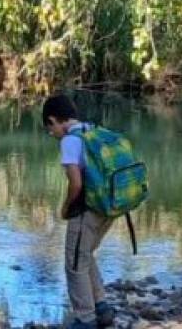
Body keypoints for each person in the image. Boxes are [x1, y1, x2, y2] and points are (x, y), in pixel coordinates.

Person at [43, 94, 115, 329]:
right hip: (109, 206)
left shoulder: (70, 141)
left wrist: (66, 208)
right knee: (85, 254)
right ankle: (102, 307)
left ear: (54, 120)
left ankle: (85, 318)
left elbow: (76, 183)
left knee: (74, 264)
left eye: (49, 128)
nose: (51, 134)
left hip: (87, 209)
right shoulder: (93, 130)